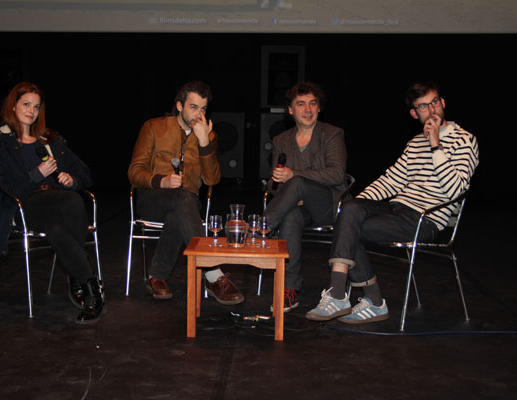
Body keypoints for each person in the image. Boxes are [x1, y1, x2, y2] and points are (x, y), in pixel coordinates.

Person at [305, 81, 480, 324]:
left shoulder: (465, 140)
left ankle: (365, 299)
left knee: (350, 229)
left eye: (434, 103)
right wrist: (354, 205)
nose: (431, 111)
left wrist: (435, 144)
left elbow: (454, 189)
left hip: (426, 219)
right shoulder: (414, 144)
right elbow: (391, 181)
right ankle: (341, 295)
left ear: (442, 103)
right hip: (398, 208)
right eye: (423, 107)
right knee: (350, 211)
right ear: (414, 114)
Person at [0, 81, 104, 324]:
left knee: (59, 224)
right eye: (26, 104)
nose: (31, 111)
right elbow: (9, 188)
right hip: (21, 207)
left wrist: (73, 179)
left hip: (56, 207)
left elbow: (85, 172)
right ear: (13, 106)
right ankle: (88, 282)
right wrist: (37, 174)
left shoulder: (50, 140)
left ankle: (85, 284)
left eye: (36, 107)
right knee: (70, 202)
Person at [128, 81, 244, 305]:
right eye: (193, 107)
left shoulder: (209, 136)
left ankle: (156, 277)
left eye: (203, 109)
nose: (199, 114)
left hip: (187, 205)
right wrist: (161, 181)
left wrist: (203, 142)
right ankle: (212, 273)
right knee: (182, 200)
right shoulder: (154, 126)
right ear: (179, 106)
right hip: (153, 198)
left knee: (181, 208)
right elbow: (134, 171)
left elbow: (212, 180)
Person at [263, 81, 348, 312]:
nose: (308, 109)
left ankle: (262, 229)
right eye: (301, 104)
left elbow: (337, 173)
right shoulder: (281, 141)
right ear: (290, 110)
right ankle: (289, 290)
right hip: (299, 208)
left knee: (298, 181)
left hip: (328, 205)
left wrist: (294, 178)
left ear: (319, 108)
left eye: (312, 104)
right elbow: (274, 186)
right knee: (290, 216)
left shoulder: (331, 134)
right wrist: (280, 183)